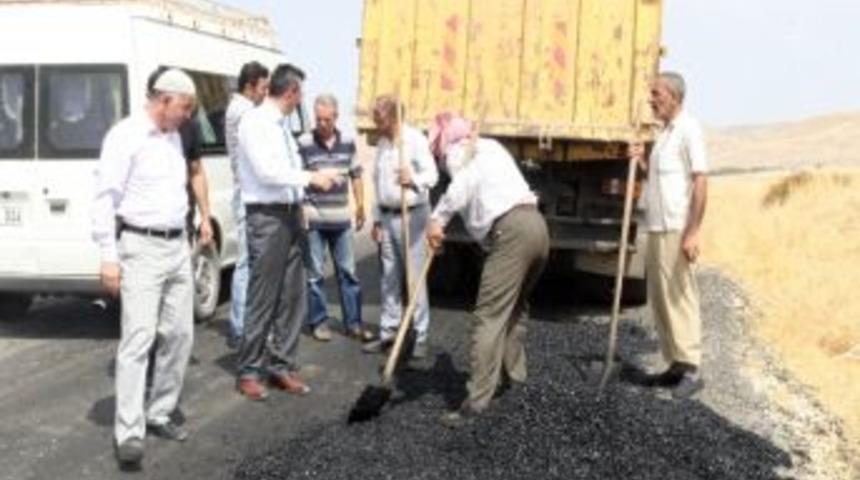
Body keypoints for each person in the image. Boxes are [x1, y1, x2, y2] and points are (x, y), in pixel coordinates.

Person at [91, 68, 198, 468]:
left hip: (176, 248)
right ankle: (130, 432)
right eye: (184, 107)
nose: (187, 115)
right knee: (138, 340)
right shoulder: (126, 136)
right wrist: (108, 255)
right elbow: (105, 197)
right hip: (140, 247)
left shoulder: (175, 137)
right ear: (164, 99)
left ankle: (160, 411)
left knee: (181, 335)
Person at [425, 113, 549, 428]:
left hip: (511, 230)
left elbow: (463, 186)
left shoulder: (458, 154)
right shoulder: (491, 146)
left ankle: (476, 402)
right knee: (517, 308)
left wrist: (437, 220)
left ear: (444, 140)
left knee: (489, 316)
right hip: (537, 227)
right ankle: (515, 378)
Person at [234, 63, 341, 401]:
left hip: (291, 216)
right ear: (291, 92)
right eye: (301, 93)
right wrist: (310, 179)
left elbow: (289, 172)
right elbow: (267, 172)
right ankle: (250, 370)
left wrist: (306, 196)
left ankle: (282, 365)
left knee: (293, 296)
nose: (302, 99)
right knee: (264, 296)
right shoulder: (255, 122)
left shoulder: (281, 127)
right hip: (266, 218)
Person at [629, 71, 708, 399]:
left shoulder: (689, 130)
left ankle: (691, 367)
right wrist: (641, 162)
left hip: (676, 228)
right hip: (657, 226)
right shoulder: (664, 134)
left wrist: (693, 232)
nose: (652, 99)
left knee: (679, 296)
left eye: (657, 93)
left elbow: (700, 181)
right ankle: (674, 363)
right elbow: (663, 181)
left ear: (675, 96)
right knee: (660, 298)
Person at [361, 94, 438, 359]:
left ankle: (420, 335)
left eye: (379, 118)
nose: (375, 123)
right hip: (388, 215)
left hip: (413, 216)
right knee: (389, 277)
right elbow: (377, 181)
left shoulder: (414, 140)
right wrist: (377, 219)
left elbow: (433, 175)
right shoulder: (383, 143)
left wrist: (412, 177)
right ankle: (388, 333)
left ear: (393, 117)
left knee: (414, 277)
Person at [299, 94, 373, 342]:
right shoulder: (304, 142)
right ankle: (319, 322)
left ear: (336, 118)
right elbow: (297, 179)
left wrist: (361, 205)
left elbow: (356, 175)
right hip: (314, 221)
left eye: (327, 120)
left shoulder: (348, 142)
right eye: (318, 119)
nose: (322, 124)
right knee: (315, 275)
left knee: (348, 272)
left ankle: (353, 323)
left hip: (341, 221)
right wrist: (301, 210)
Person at [224, 61, 270, 348]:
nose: (265, 94)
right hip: (246, 192)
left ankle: (243, 324)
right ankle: (240, 327)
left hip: (243, 189)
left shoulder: (239, 109)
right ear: (250, 85)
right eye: (263, 87)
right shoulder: (244, 112)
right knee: (245, 264)